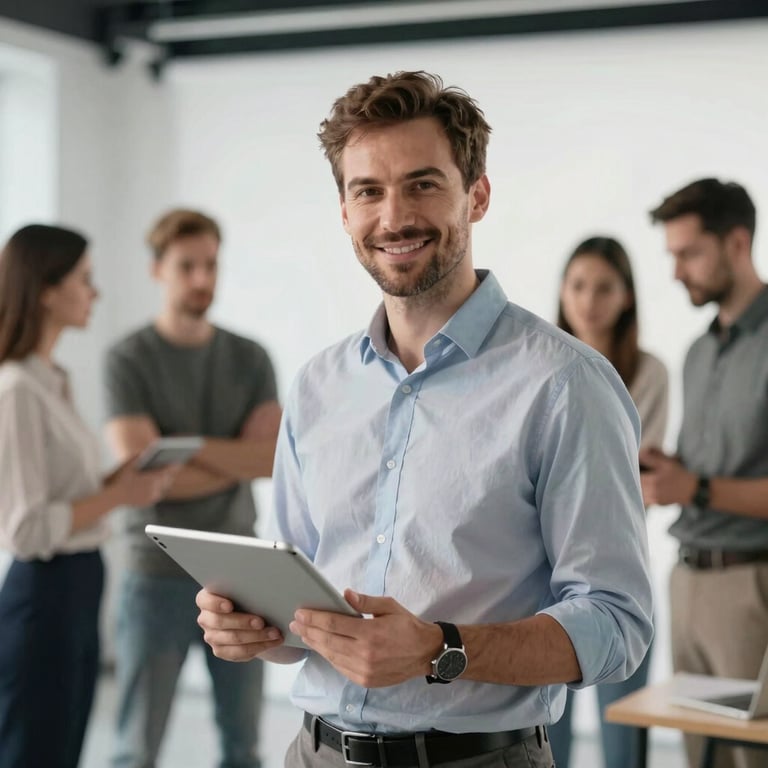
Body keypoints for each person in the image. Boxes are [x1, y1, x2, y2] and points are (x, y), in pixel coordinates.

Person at [196, 71, 654, 768]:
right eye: (368, 191)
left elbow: (617, 625)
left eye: (422, 184)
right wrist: (255, 627)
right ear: (344, 210)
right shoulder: (319, 386)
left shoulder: (566, 384)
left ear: (478, 195)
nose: (393, 217)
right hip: (311, 753)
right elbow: (301, 608)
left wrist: (440, 650)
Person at [104, 209, 281, 768]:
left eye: (210, 265)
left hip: (240, 571)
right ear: (158, 270)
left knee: (243, 746)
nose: (203, 279)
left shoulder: (250, 358)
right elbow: (145, 475)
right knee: (136, 747)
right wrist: (232, 455)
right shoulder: (127, 359)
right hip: (152, 569)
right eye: (187, 266)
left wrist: (185, 446)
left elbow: (271, 459)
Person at [0, 224, 175, 768]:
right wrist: (120, 493)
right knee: (34, 748)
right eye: (85, 279)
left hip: (79, 581)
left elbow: (64, 495)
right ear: (46, 290)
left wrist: (114, 483)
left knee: (64, 743)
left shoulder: (52, 379)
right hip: (44, 593)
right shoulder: (16, 390)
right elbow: (24, 531)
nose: (95, 293)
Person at [643, 178, 768, 768]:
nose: (676, 272)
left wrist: (692, 486)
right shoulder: (698, 351)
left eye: (688, 253)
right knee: (701, 760)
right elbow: (705, 471)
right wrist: (671, 472)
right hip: (686, 582)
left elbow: (705, 485)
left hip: (750, 591)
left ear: (737, 243)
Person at [548, 236, 669, 768]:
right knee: (548, 740)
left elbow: (639, 483)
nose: (589, 300)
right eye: (577, 285)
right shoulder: (538, 365)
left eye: (603, 287)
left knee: (625, 738)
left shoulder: (649, 372)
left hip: (619, 574)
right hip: (542, 580)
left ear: (627, 298)